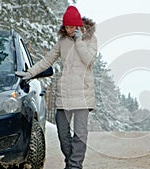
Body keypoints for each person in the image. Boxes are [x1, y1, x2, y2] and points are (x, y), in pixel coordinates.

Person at [16, 6, 97, 169]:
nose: (69, 30)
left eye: (72, 27)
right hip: (65, 94)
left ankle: (74, 166)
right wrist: (30, 73)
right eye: (66, 27)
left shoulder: (90, 39)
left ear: (79, 25)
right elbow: (47, 60)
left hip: (83, 93)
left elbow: (89, 60)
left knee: (80, 134)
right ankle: (70, 161)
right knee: (62, 133)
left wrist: (79, 40)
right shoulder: (62, 42)